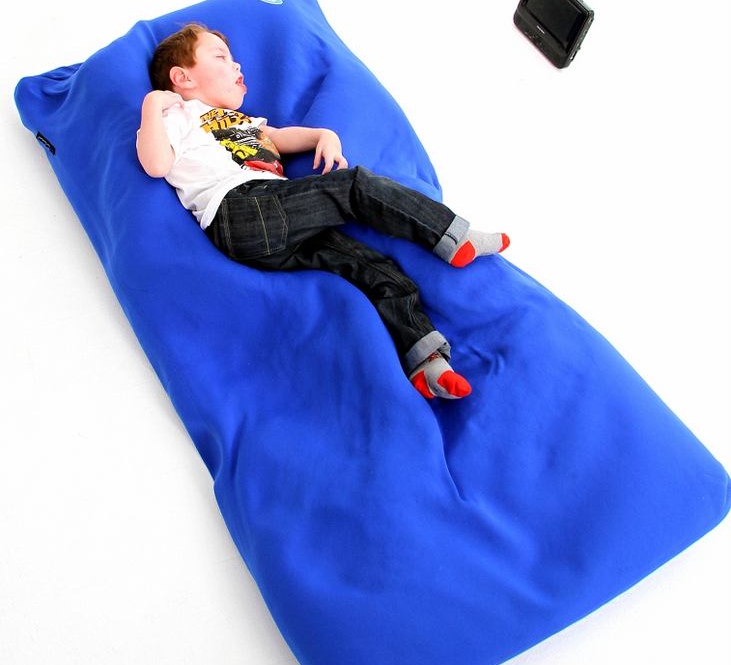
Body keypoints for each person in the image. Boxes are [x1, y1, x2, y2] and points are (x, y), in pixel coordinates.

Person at [137, 24, 509, 400]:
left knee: (376, 269)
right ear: (182, 78)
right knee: (353, 186)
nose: (237, 66)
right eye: (221, 57)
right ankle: (450, 234)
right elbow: (155, 164)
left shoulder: (243, 121)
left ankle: (426, 361)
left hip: (275, 230)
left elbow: (277, 137)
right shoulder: (181, 114)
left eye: (234, 59)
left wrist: (322, 135)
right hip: (241, 209)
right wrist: (153, 103)